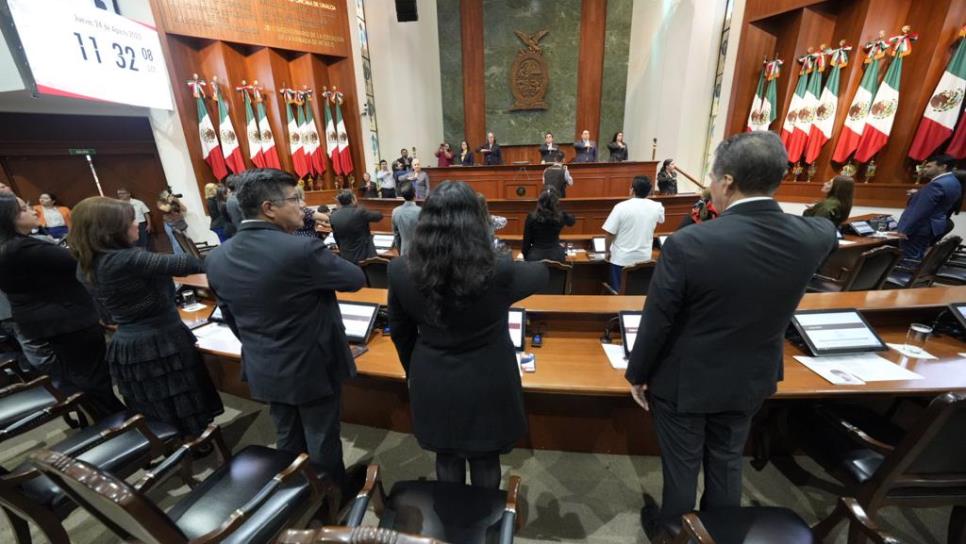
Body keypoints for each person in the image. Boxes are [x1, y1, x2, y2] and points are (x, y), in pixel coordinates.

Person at [625, 131, 837, 538]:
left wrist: (637, 373)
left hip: (686, 381)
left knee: (682, 467)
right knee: (726, 461)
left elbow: (659, 319)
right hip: (752, 377)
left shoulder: (689, 243)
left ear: (726, 182)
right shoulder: (815, 236)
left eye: (711, 177)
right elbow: (830, 234)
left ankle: (674, 532)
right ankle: (719, 533)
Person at [206, 168, 366, 480]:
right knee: (322, 438)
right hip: (312, 366)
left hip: (263, 363)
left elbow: (230, 316)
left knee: (286, 435)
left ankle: (297, 493)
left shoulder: (216, 257)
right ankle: (331, 499)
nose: (303, 207)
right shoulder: (302, 249)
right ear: (269, 208)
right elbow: (355, 278)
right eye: (295, 199)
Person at [387, 181, 547, 488]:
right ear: (477, 221)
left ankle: (455, 525)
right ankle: (484, 526)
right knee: (486, 458)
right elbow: (543, 272)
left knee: (446, 456)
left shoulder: (400, 270)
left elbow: (400, 330)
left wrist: (414, 369)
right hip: (488, 377)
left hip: (432, 375)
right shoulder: (499, 270)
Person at [69, 196, 223, 436]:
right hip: (159, 340)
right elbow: (190, 264)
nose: (137, 226)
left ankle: (176, 444)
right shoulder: (127, 259)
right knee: (179, 397)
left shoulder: (87, 261)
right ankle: (193, 445)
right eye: (131, 221)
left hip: (128, 341)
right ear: (111, 230)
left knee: (158, 403)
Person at [0, 194, 124, 420]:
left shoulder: (11, 247)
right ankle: (115, 421)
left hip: (46, 323)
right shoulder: (25, 249)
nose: (34, 211)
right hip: (67, 322)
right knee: (92, 377)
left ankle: (107, 415)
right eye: (24, 209)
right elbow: (80, 264)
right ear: (9, 218)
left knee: (80, 374)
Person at [602, 176, 665, 292]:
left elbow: (610, 233)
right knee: (638, 293)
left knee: (619, 293)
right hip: (644, 258)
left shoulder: (621, 207)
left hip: (621, 259)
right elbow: (661, 220)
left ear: (632, 189)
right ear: (650, 191)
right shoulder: (657, 207)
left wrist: (607, 251)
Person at [898, 154, 962, 260]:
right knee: (918, 256)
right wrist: (919, 194)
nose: (925, 169)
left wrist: (904, 230)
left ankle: (906, 276)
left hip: (919, 229)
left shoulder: (937, 184)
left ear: (943, 167)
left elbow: (920, 211)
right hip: (933, 226)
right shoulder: (954, 182)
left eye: (929, 166)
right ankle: (915, 275)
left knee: (909, 260)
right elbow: (940, 201)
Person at [522, 187, 575, 262]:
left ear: (540, 201)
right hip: (557, 256)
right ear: (556, 202)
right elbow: (571, 222)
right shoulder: (560, 216)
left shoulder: (531, 217)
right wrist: (563, 212)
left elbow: (526, 241)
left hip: (535, 256)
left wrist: (526, 256)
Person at [330, 190, 383, 263]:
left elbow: (335, 236)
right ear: (352, 199)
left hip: (345, 254)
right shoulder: (360, 211)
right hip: (364, 255)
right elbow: (378, 216)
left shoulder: (333, 216)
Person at [391, 183, 420, 256]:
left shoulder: (395, 211)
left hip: (403, 251)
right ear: (415, 194)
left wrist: (400, 251)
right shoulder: (421, 211)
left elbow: (396, 235)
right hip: (419, 252)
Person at [157, 189, 188, 254]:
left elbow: (184, 209)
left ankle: (187, 256)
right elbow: (166, 209)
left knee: (185, 241)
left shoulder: (175, 200)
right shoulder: (159, 203)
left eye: (169, 194)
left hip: (180, 223)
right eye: (166, 195)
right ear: (162, 197)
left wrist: (177, 201)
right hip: (170, 224)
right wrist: (170, 201)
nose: (169, 195)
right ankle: (180, 259)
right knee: (176, 242)